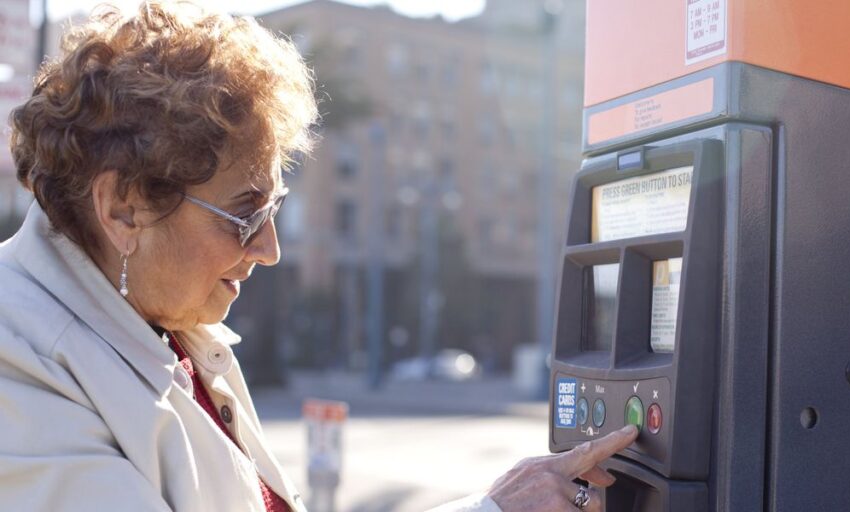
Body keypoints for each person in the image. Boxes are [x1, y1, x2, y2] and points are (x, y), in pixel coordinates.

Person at [0, 2, 637, 511]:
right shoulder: (18, 359)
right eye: (246, 215)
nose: (270, 249)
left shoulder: (168, 330)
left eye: (273, 211)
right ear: (122, 209)